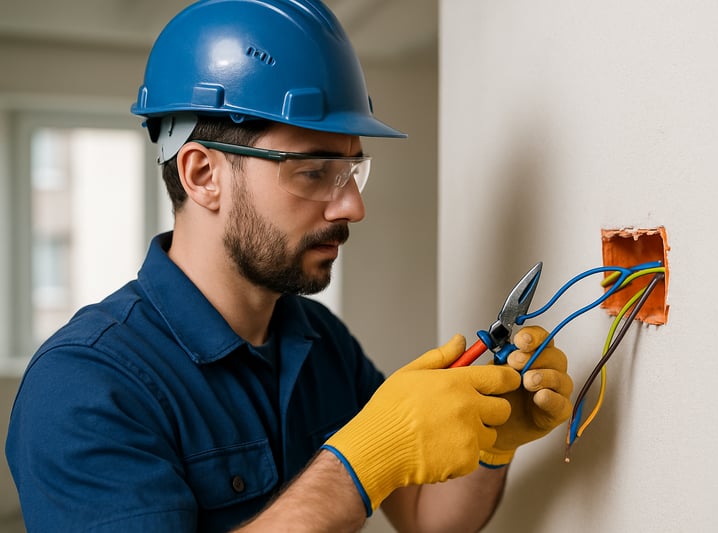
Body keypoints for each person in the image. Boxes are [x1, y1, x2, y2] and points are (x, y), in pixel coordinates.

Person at [5, 1, 574, 531]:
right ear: (202, 175)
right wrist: (360, 464)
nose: (352, 206)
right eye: (313, 172)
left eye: (352, 171)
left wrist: (492, 444)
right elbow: (371, 468)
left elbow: (426, 517)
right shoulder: (83, 387)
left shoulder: (319, 341)